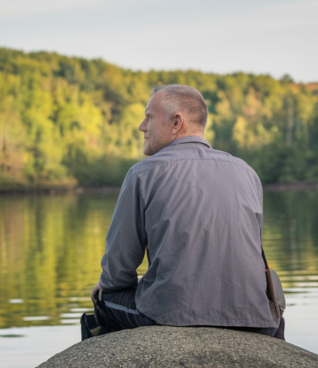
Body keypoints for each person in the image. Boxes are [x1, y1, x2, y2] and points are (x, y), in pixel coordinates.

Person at [83, 84, 284, 339]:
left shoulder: (143, 174)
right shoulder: (247, 172)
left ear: (176, 122)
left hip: (171, 318)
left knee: (105, 295)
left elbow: (118, 271)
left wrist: (107, 286)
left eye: (149, 117)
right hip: (256, 319)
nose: (141, 126)